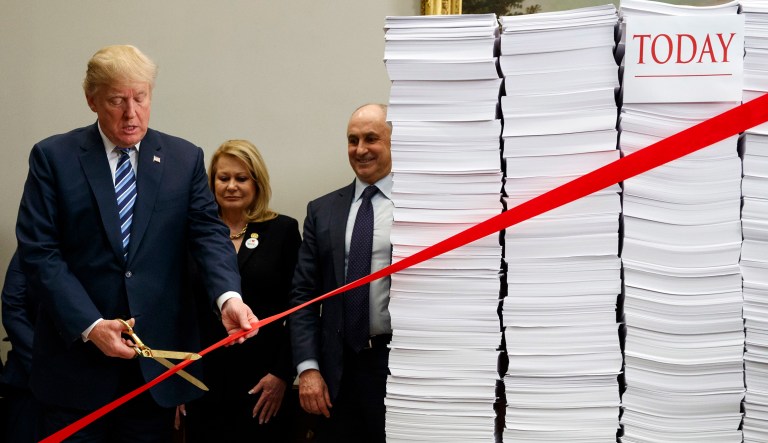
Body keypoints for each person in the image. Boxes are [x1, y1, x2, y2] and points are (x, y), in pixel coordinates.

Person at [14, 44, 257, 442]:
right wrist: (90, 326)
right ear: (92, 99)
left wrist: (228, 297)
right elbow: (40, 252)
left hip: (154, 374)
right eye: (117, 100)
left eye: (140, 98)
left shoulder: (183, 158)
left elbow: (208, 234)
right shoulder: (53, 157)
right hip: (75, 372)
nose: (131, 113)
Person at [289, 103, 394, 443]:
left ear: (394, 141)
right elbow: (303, 297)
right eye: (352, 140)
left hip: (395, 366)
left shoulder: (420, 205)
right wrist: (308, 369)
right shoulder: (322, 211)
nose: (360, 150)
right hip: (335, 372)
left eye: (371, 139)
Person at [184, 140, 301, 442]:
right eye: (223, 178)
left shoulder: (283, 231)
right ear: (211, 183)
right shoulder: (193, 234)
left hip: (264, 383)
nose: (231, 186)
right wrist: (177, 381)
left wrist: (282, 375)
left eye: (241, 178)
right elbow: (179, 309)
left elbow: (301, 310)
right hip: (202, 381)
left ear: (257, 182)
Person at [0, 252, 37, 443]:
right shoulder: (35, 243)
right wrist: (44, 367)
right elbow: (13, 307)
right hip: (27, 380)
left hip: (94, 384)